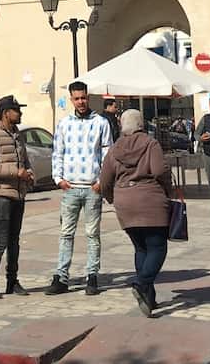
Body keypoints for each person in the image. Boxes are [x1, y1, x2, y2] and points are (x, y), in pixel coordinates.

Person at [100, 109, 173, 317]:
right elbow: (160, 171)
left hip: (125, 202)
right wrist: (168, 191)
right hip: (151, 200)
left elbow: (105, 179)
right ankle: (141, 284)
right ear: (141, 123)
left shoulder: (114, 149)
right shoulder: (150, 144)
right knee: (158, 247)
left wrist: (112, 198)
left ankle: (148, 299)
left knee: (141, 248)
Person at [46, 80, 113, 296]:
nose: (81, 102)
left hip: (92, 187)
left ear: (88, 96)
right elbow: (58, 152)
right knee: (66, 233)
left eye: (83, 97)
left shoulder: (101, 122)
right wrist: (58, 179)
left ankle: (92, 275)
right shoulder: (64, 124)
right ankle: (61, 276)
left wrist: (101, 181)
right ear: (72, 99)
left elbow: (107, 153)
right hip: (71, 187)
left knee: (92, 234)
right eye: (77, 98)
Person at [0, 95, 34, 299]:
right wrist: (15, 172)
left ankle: (12, 281)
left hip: (18, 194)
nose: (20, 113)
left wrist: (29, 174)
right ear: (5, 113)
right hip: (1, 195)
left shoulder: (17, 134)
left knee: (14, 241)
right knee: (0, 241)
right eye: (17, 110)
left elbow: (24, 160)